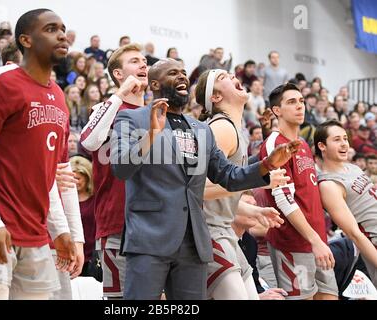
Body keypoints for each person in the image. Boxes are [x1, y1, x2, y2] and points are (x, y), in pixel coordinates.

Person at [110, 58, 300, 300]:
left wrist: (266, 164)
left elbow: (229, 176)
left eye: (182, 72)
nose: (181, 76)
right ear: (154, 84)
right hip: (149, 238)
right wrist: (151, 135)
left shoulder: (201, 129)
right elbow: (121, 168)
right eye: (172, 73)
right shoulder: (132, 119)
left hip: (193, 243)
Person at [0, 9, 84, 300]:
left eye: (63, 28)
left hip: (35, 234)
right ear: (26, 40)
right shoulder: (0, 81)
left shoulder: (60, 97)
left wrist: (61, 230)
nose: (62, 35)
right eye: (50, 29)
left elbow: (49, 176)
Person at [195, 69, 288, 300]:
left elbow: (221, 195)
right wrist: (260, 179)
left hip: (224, 230)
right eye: (222, 78)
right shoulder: (222, 128)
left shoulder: (237, 130)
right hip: (209, 232)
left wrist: (253, 210)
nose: (232, 76)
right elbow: (198, 189)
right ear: (215, 97)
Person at [79, 43, 148, 299]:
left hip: (156, 224)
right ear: (118, 74)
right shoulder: (106, 110)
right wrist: (119, 95)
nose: (143, 65)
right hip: (117, 222)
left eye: (144, 61)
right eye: (134, 61)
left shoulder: (157, 114)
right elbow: (87, 141)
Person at [259, 83, 338, 300]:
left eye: (301, 101)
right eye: (292, 102)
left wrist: (319, 240)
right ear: (277, 110)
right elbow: (283, 199)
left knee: (330, 295)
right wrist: (314, 240)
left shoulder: (302, 143)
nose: (299, 106)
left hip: (318, 239)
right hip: (293, 243)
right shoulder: (274, 144)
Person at [315, 120, 377, 287]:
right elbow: (354, 234)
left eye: (345, 139)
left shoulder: (352, 167)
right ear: (322, 146)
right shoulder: (329, 185)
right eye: (336, 140)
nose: (344, 144)